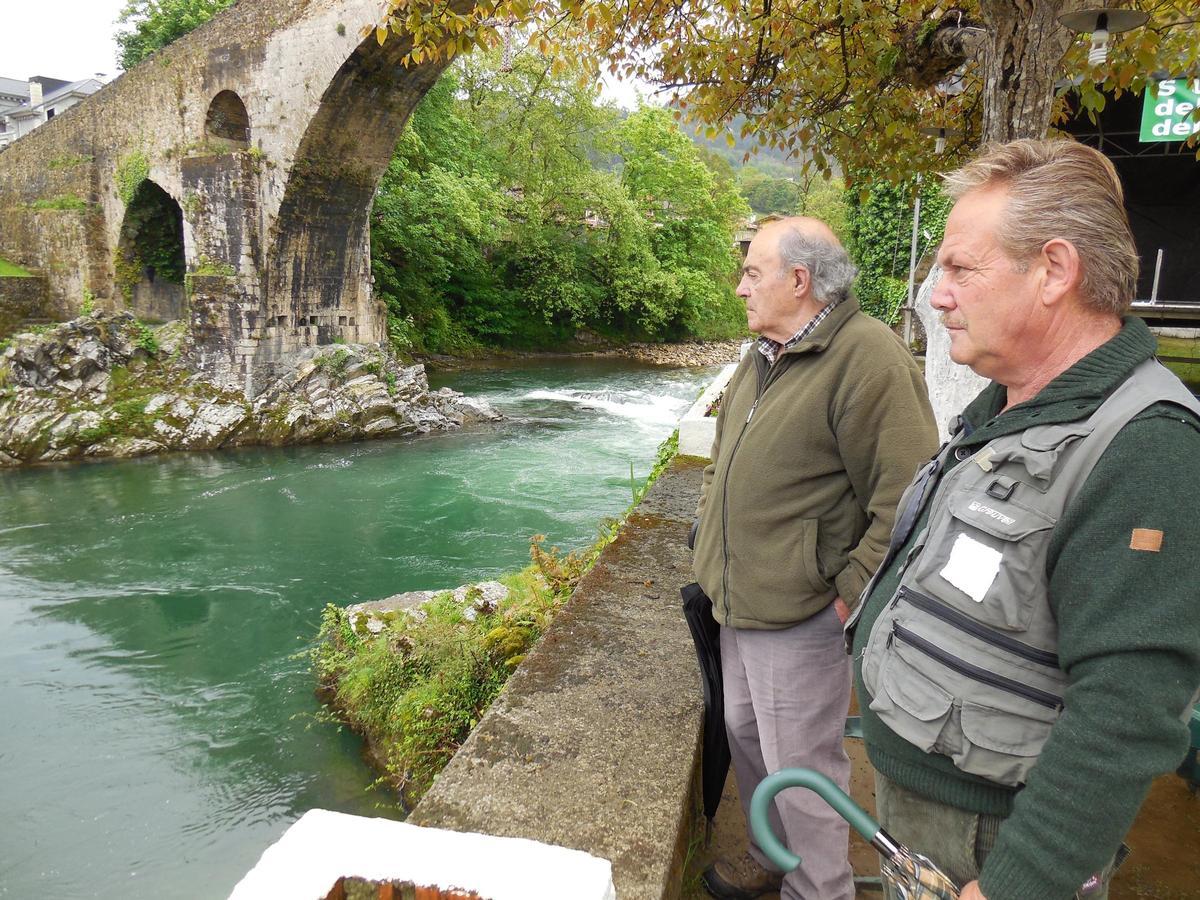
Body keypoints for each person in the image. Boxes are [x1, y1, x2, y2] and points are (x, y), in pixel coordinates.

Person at [847, 139, 1200, 900]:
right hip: (927, 819)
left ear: (1055, 271)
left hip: (996, 845)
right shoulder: (1012, 408)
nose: (935, 295)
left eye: (959, 268)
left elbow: (1125, 713)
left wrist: (1021, 885)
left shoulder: (1149, 449)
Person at [692, 216, 938, 900]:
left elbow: (911, 493)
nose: (740, 287)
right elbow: (721, 459)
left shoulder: (869, 358)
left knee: (803, 771)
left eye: (751, 273)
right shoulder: (763, 353)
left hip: (802, 614)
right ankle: (773, 857)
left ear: (799, 282)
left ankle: (818, 890)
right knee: (747, 740)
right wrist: (711, 534)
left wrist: (848, 591)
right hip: (740, 602)